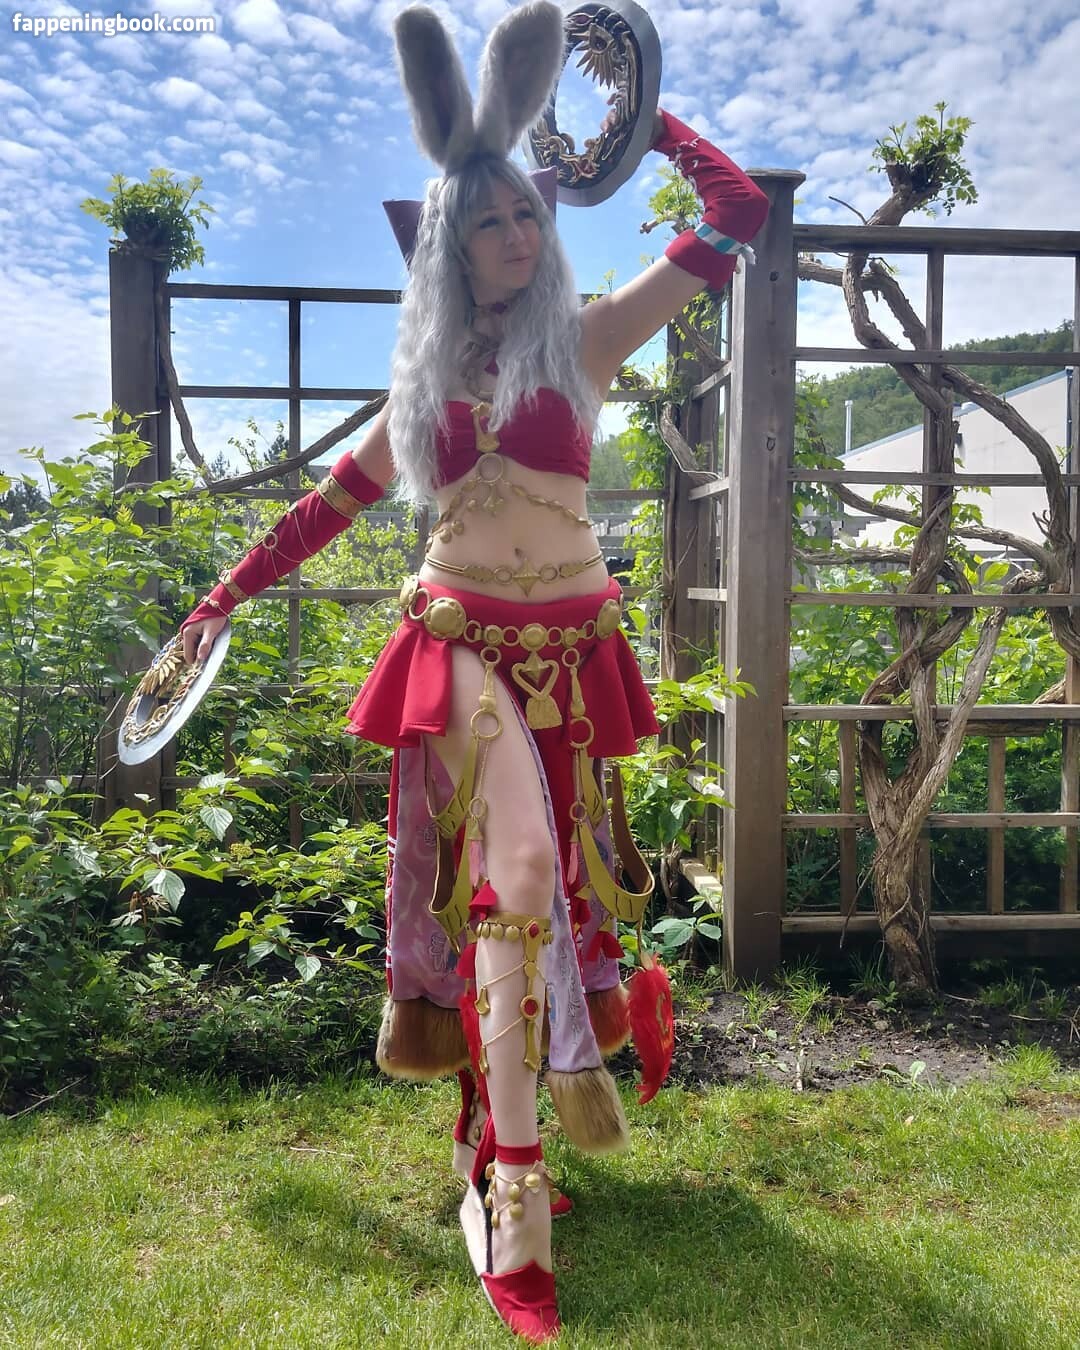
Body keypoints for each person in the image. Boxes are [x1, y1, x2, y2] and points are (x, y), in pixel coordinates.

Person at [178, 3, 768, 1341]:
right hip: (458, 649)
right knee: (517, 859)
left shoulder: (594, 337)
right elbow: (322, 511)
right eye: (491, 220)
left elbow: (736, 215)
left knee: (536, 890)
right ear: (450, 242)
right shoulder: (420, 384)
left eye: (528, 216)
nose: (517, 234)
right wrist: (222, 598)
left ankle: (485, 1124)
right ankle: (517, 1191)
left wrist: (639, 130)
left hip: (573, 654)